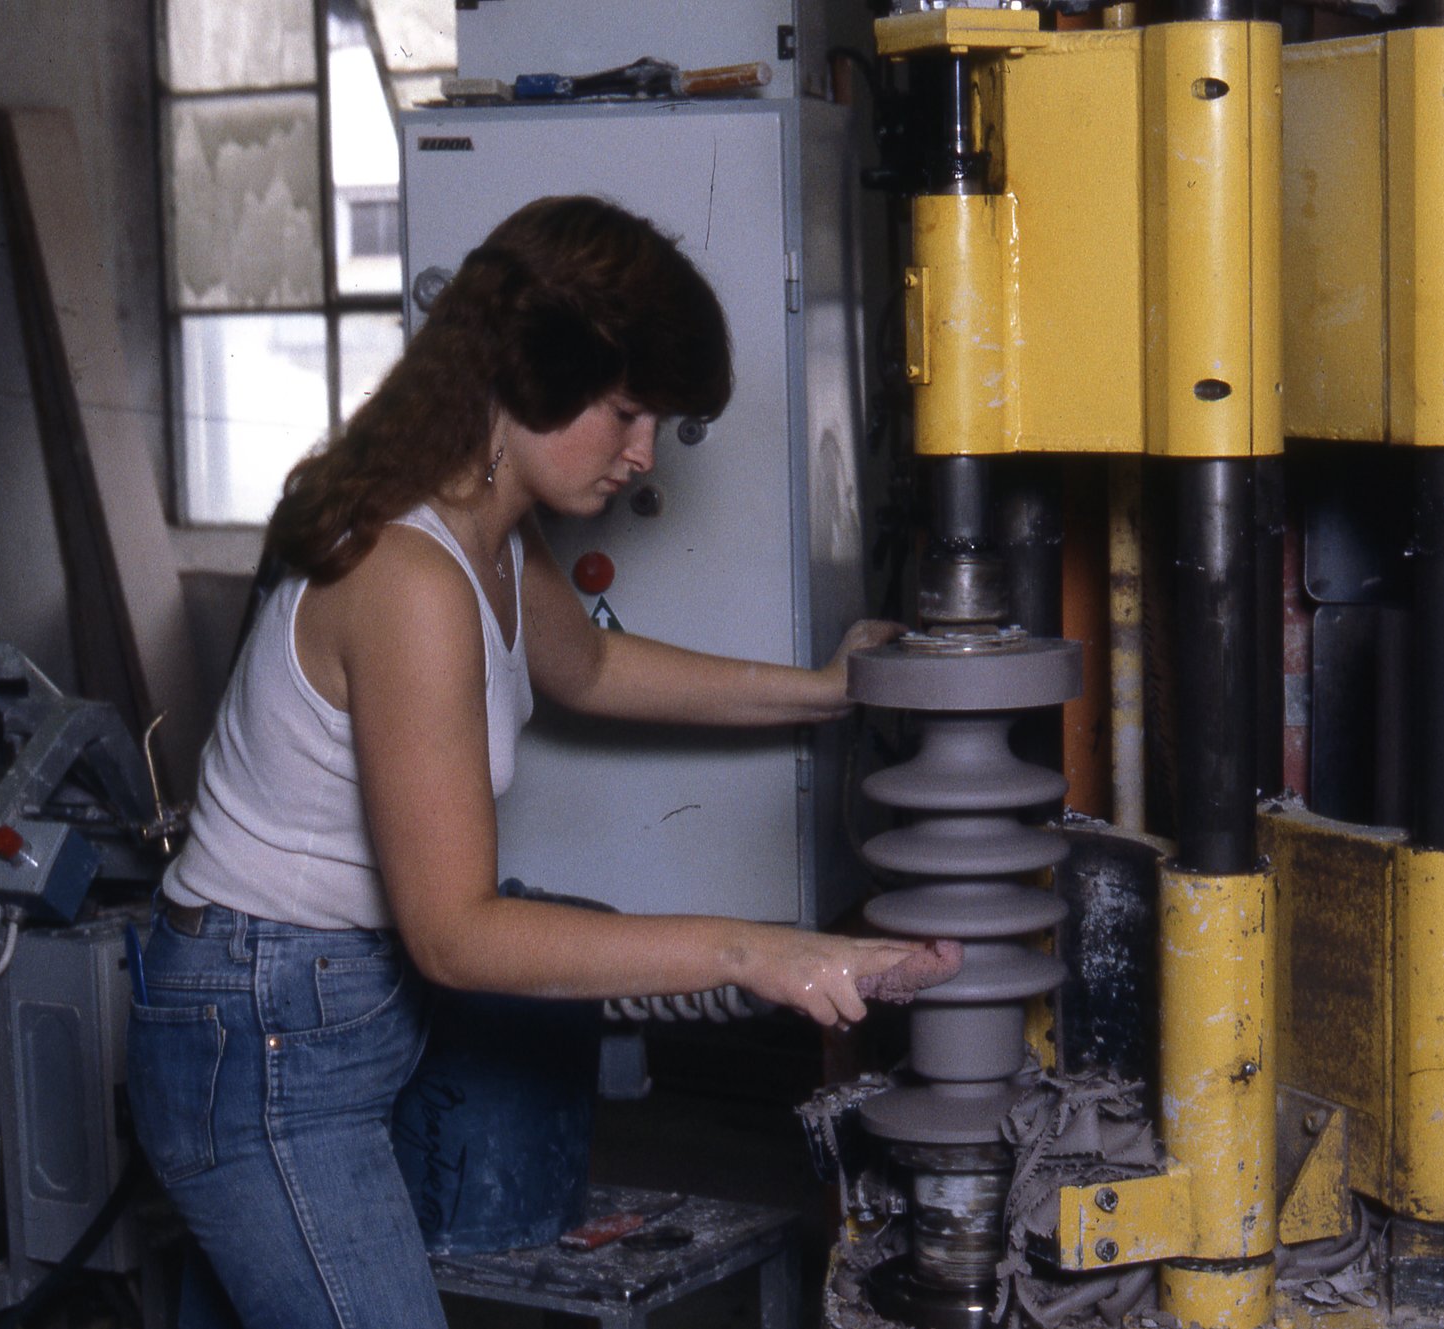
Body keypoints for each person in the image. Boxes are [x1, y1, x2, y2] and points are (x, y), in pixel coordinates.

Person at [124, 195, 934, 1329]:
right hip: (262, 1033)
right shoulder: (408, 579)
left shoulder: (485, 522)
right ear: (527, 375)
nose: (643, 454)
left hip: (325, 1004)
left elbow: (589, 672)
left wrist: (828, 692)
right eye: (626, 412)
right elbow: (456, 933)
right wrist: (753, 950)